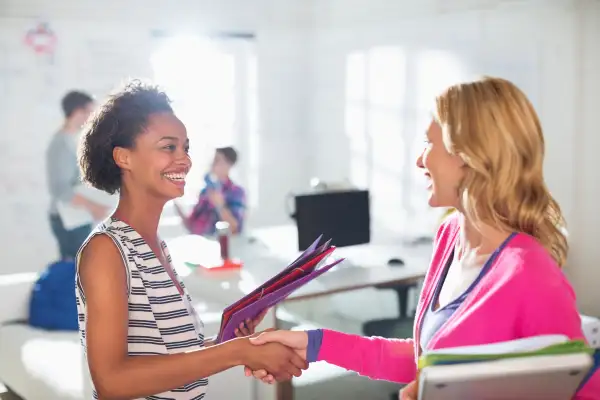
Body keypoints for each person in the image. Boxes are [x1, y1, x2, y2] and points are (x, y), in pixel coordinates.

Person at [245, 77, 600, 399]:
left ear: (470, 157)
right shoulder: (450, 235)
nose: (419, 160)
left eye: (429, 143)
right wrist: (314, 344)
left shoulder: (530, 274)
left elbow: (581, 392)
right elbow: (426, 360)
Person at [75, 80, 306, 400]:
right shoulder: (107, 250)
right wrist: (235, 353)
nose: (184, 159)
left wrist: (237, 344)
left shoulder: (157, 248)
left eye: (186, 147)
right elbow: (113, 382)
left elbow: (169, 358)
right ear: (124, 158)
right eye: (169, 147)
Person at [46, 90, 109, 260]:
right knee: (75, 271)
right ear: (77, 112)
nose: (92, 117)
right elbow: (60, 190)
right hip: (67, 219)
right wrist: (94, 207)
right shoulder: (61, 144)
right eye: (89, 111)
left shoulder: (74, 139)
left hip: (77, 217)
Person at [175, 146, 246, 236]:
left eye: (217, 160)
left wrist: (219, 205)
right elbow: (191, 226)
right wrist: (176, 204)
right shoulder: (205, 192)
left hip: (220, 246)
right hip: (200, 244)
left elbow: (234, 229)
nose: (212, 164)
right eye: (213, 160)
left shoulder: (236, 192)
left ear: (229, 164)